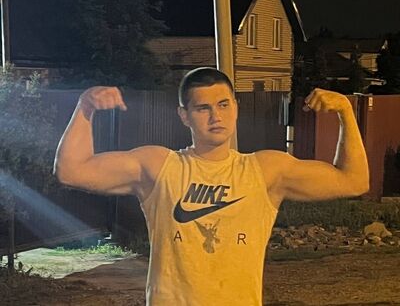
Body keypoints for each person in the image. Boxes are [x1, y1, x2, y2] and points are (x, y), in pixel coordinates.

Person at [54, 67, 369, 306]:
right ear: (184, 116)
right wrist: (85, 107)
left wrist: (345, 111)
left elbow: (354, 181)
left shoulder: (265, 171)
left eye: (223, 105)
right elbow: (71, 171)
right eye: (203, 108)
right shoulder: (160, 167)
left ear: (236, 107)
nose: (215, 116)